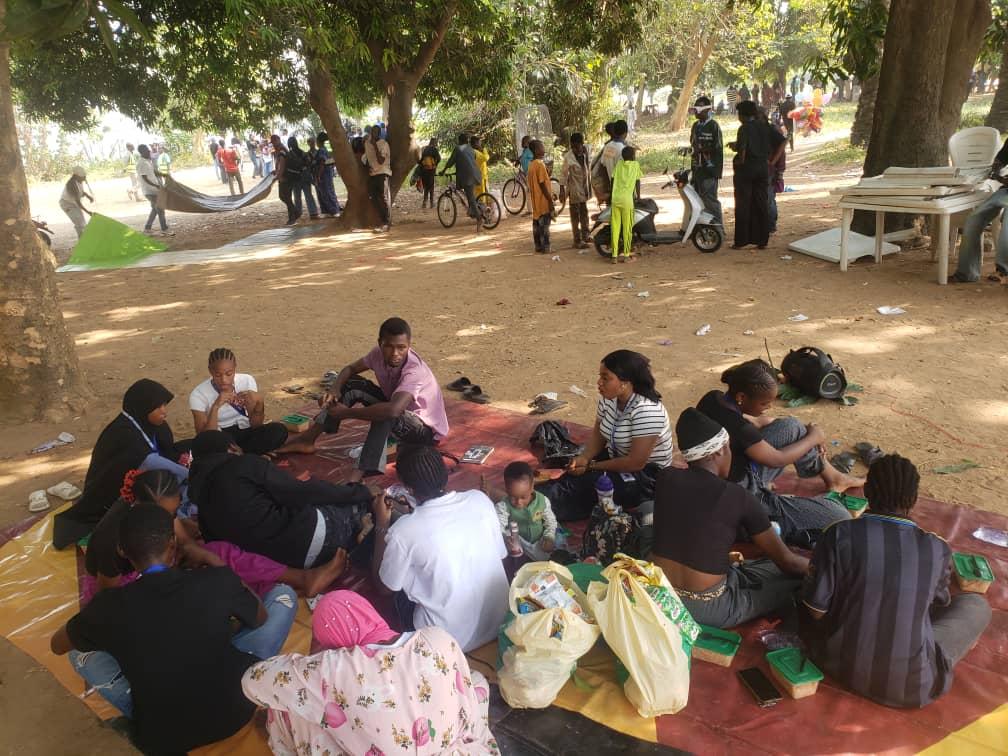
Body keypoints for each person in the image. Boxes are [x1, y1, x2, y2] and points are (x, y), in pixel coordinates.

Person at [51, 504, 297, 754]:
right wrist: (214, 561)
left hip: (165, 734)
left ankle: (139, 707)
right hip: (238, 707)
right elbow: (261, 617)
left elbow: (57, 645)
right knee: (283, 594)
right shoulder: (216, 580)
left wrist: (115, 633)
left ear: (122, 551)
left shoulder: (107, 607)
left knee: (78, 652)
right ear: (173, 544)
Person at [801, 454, 992, 708]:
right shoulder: (936, 548)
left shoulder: (838, 534)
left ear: (867, 490)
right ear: (913, 500)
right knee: (975, 606)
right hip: (911, 688)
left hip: (837, 664)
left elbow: (816, 610)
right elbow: (939, 602)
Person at [242, 591, 497, 755]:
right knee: (475, 682)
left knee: (290, 707)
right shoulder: (437, 638)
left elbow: (253, 681)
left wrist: (315, 661)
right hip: (449, 746)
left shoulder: (335, 669)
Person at [83, 468, 348, 602]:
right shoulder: (111, 541)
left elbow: (185, 543)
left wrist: (197, 553)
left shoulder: (157, 511)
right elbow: (109, 600)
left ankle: (301, 578)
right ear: (139, 507)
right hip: (134, 591)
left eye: (174, 513)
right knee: (213, 578)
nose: (172, 519)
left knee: (221, 550)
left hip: (161, 571)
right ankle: (254, 595)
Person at [651, 408, 809, 627]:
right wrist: (826, 570)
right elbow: (789, 563)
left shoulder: (665, 478)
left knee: (755, 568)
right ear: (719, 451)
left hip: (660, 597)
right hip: (711, 609)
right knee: (791, 578)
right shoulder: (737, 496)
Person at [696, 358, 857, 543]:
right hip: (741, 496)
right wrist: (814, 437)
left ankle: (834, 478)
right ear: (741, 397)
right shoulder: (741, 430)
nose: (769, 408)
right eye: (764, 404)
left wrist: (805, 431)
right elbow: (777, 459)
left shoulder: (714, 398)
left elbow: (757, 421)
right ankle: (766, 505)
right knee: (839, 515)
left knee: (793, 426)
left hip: (720, 480)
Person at [274, 317, 449, 482]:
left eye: (401, 347)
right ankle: (307, 439)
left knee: (386, 413)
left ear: (409, 346)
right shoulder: (377, 354)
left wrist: (346, 413)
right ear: (380, 343)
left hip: (424, 432)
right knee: (352, 385)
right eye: (389, 346)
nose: (395, 353)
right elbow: (349, 369)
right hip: (397, 410)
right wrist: (334, 390)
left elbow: (394, 410)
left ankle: (360, 475)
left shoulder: (414, 371)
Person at [371, 446, 509, 651]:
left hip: (446, 642)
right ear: (445, 475)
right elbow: (500, 555)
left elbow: (384, 588)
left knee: (394, 577)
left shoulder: (403, 531)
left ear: (408, 489)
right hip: (500, 623)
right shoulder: (480, 500)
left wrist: (381, 524)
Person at [189, 430, 373, 568]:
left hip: (289, 565)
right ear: (232, 448)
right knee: (362, 505)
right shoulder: (242, 464)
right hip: (314, 536)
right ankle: (366, 529)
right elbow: (302, 492)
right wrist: (358, 492)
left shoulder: (200, 502)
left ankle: (354, 536)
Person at [53, 379, 190, 550]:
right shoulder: (124, 434)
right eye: (159, 407)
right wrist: (189, 474)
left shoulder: (153, 424)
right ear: (143, 407)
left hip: (145, 473)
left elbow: (165, 452)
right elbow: (150, 460)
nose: (164, 412)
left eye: (164, 405)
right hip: (111, 489)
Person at [537, 350, 674, 521]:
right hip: (617, 456)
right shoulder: (608, 398)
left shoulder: (647, 411)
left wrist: (593, 466)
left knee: (589, 485)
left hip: (646, 477)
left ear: (625, 382)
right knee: (573, 475)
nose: (599, 382)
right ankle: (539, 499)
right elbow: (599, 434)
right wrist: (585, 457)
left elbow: (636, 462)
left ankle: (535, 507)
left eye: (606, 378)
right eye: (600, 376)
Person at [189, 347, 289, 455]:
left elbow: (256, 425)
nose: (224, 380)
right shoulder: (198, 394)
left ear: (235, 368)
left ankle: (242, 454)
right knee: (213, 445)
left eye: (229, 373)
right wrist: (216, 406)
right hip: (221, 435)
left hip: (246, 429)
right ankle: (247, 455)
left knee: (279, 430)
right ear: (210, 370)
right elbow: (204, 438)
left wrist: (260, 402)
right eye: (218, 375)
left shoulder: (246, 381)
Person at [950, 136, 1008, 283]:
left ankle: (1003, 271)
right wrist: (995, 168)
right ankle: (967, 273)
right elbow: (1000, 160)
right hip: (1006, 191)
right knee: (973, 219)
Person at [495, 461, 558, 560]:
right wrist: (506, 539)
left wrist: (549, 537)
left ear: (532, 486)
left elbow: (550, 521)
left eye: (523, 497)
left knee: (553, 550)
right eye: (512, 497)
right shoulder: (503, 506)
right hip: (519, 541)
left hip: (539, 540)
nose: (518, 502)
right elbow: (498, 526)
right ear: (506, 489)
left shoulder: (542, 501)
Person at [729, 100, 770, 249]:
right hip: (763, 168)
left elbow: (743, 150)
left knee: (743, 204)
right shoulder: (763, 127)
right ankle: (762, 240)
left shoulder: (744, 128)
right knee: (761, 203)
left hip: (747, 169)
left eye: (739, 114)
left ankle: (741, 240)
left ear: (743, 115)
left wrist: (739, 160)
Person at [690, 96, 724, 226]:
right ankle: (702, 227)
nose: (696, 111)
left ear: (707, 109)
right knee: (697, 199)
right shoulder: (695, 126)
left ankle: (718, 227)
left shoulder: (714, 126)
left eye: (698, 108)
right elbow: (692, 144)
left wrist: (703, 150)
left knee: (710, 199)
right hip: (696, 169)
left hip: (709, 170)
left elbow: (718, 147)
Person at [441, 133, 483, 227]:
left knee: (471, 199)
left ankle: (479, 218)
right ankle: (475, 209)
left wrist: (443, 170)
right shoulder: (470, 149)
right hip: (476, 174)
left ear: (459, 141)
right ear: (467, 141)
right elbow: (470, 160)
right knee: (471, 195)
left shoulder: (457, 149)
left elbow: (450, 162)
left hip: (467, 176)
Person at [609, 145, 642, 262]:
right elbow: (637, 182)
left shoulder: (618, 165)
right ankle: (626, 255)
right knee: (627, 229)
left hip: (615, 199)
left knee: (615, 228)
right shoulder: (636, 165)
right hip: (627, 200)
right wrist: (638, 196)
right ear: (633, 156)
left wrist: (611, 196)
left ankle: (614, 256)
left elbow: (612, 181)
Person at [136, 144, 174, 236]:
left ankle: (147, 227)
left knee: (155, 209)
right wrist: (155, 186)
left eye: (148, 150)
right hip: (149, 191)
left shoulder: (147, 161)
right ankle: (164, 228)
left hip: (154, 189)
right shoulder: (141, 163)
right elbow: (145, 178)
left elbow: (154, 172)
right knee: (160, 208)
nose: (149, 152)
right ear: (142, 152)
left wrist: (164, 174)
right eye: (147, 151)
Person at [562, 132, 591, 248]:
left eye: (578, 146)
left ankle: (586, 235)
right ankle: (577, 240)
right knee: (575, 215)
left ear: (582, 144)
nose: (576, 149)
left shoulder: (586, 151)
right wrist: (561, 190)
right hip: (574, 188)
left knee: (584, 212)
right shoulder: (568, 157)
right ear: (571, 145)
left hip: (584, 187)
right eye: (573, 147)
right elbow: (563, 175)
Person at [526, 139, 555, 254]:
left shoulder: (532, 165)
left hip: (536, 201)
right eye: (542, 147)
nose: (544, 149)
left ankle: (538, 245)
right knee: (545, 225)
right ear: (536, 150)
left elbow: (541, 179)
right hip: (543, 200)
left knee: (536, 225)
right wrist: (550, 200)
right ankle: (546, 247)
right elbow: (543, 184)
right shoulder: (540, 164)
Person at [364, 124, 392, 232]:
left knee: (383, 197)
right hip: (373, 174)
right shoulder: (367, 143)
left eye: (376, 132)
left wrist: (375, 145)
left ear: (379, 134)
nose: (374, 134)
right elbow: (367, 158)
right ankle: (383, 220)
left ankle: (387, 222)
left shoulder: (383, 144)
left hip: (383, 172)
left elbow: (381, 161)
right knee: (374, 197)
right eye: (372, 132)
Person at [287, 136, 320, 220]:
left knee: (297, 197)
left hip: (295, 178)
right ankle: (313, 213)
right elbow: (309, 163)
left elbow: (288, 167)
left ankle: (298, 213)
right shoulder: (302, 152)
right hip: (305, 177)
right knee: (308, 195)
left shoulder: (289, 155)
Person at [598, 119, 628, 204]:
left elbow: (603, 166)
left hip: (612, 190)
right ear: (625, 133)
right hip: (624, 191)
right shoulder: (624, 150)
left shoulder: (607, 147)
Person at [59, 166, 93, 238]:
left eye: (84, 177)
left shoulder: (79, 181)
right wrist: (88, 212)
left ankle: (83, 239)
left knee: (82, 222)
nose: (84, 179)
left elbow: (80, 192)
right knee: (79, 223)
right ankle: (82, 241)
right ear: (76, 176)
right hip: (67, 204)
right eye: (83, 177)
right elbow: (78, 202)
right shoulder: (71, 184)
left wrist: (87, 196)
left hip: (73, 203)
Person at [271, 134, 298, 225]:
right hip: (285, 177)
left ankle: (293, 216)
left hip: (286, 178)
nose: (274, 144)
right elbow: (280, 165)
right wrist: (276, 171)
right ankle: (294, 213)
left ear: (278, 140)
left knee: (285, 197)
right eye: (273, 142)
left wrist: (278, 176)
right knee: (284, 197)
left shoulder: (282, 150)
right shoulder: (280, 150)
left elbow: (282, 165)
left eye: (275, 141)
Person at [314, 131, 342, 216]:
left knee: (327, 192)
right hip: (327, 173)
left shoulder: (321, 150)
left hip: (324, 174)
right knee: (326, 191)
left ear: (318, 141)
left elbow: (322, 163)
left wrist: (318, 175)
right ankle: (327, 210)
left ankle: (334, 210)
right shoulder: (324, 149)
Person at [419, 137, 440, 209]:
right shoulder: (434, 149)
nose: (436, 144)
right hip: (431, 170)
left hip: (424, 170)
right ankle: (431, 203)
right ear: (434, 143)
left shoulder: (424, 149)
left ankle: (424, 203)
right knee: (431, 186)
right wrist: (435, 165)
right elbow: (439, 158)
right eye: (436, 143)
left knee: (426, 187)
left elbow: (420, 160)